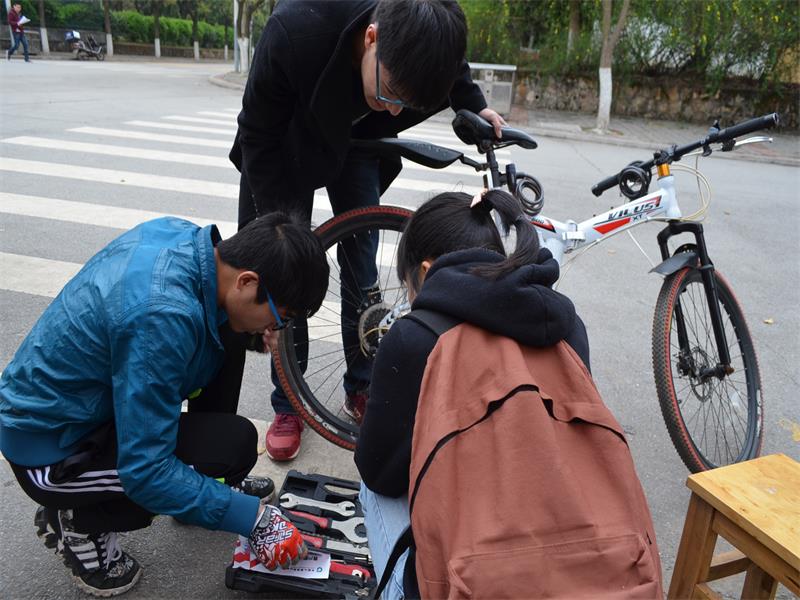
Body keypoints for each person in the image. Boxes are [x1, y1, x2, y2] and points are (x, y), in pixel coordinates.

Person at [229, 0, 507, 462]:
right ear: (372, 37)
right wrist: (281, 237)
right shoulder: (294, 32)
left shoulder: (417, 23)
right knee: (289, 270)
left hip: (357, 135)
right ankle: (288, 403)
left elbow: (448, 59)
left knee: (361, 266)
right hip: (288, 135)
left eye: (407, 104)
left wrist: (475, 105)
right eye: (393, 91)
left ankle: (360, 385)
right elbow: (258, 133)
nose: (396, 112)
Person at [355, 191, 662, 598]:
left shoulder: (416, 336)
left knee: (371, 489)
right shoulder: (565, 325)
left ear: (425, 273)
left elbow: (380, 474)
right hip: (599, 569)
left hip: (480, 579)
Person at [0, 214, 326, 596]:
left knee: (229, 335)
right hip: (51, 448)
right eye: (279, 318)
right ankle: (78, 520)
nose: (275, 329)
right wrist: (252, 518)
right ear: (247, 281)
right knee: (219, 455)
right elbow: (146, 471)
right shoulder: (161, 314)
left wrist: (252, 333)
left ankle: (203, 488)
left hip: (90, 407)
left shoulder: (188, 244)